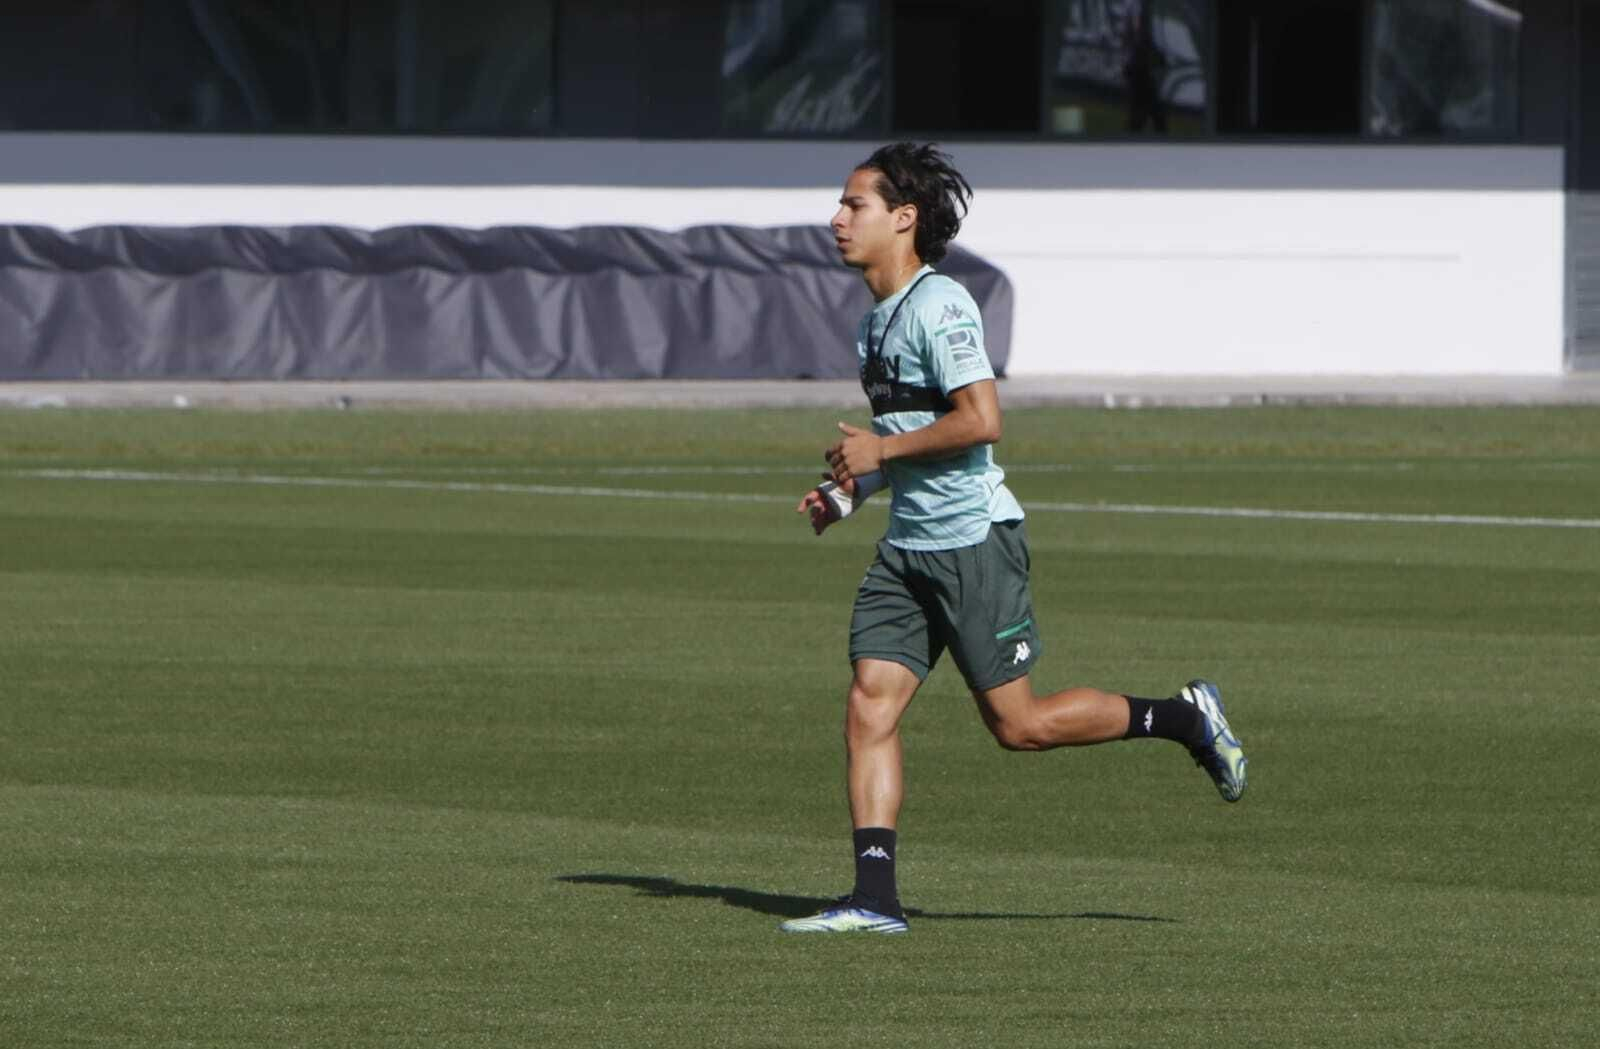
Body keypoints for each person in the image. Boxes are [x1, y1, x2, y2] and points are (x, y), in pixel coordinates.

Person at [780, 142, 1246, 935]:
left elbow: (981, 421)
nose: (836, 218)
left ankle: (1184, 717)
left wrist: (880, 451)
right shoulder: (873, 326)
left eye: (853, 204)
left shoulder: (942, 306)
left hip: (972, 544)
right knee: (869, 706)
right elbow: (915, 436)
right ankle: (876, 899)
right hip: (909, 550)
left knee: (1019, 726)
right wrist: (852, 491)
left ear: (904, 217)